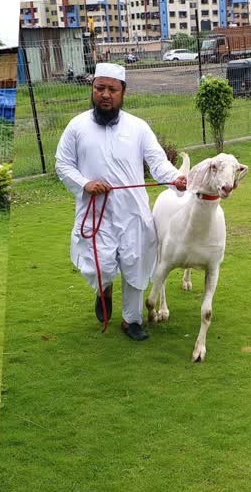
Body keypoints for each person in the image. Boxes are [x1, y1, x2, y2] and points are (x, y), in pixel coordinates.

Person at [55, 63, 187, 341]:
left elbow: (159, 164)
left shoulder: (138, 127)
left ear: (123, 92)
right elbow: (63, 164)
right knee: (98, 265)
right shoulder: (76, 126)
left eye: (112, 89)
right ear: (92, 89)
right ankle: (104, 290)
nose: (105, 94)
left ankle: (132, 321)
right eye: (99, 88)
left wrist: (176, 179)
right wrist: (85, 184)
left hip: (133, 214)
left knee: (135, 267)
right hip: (95, 214)